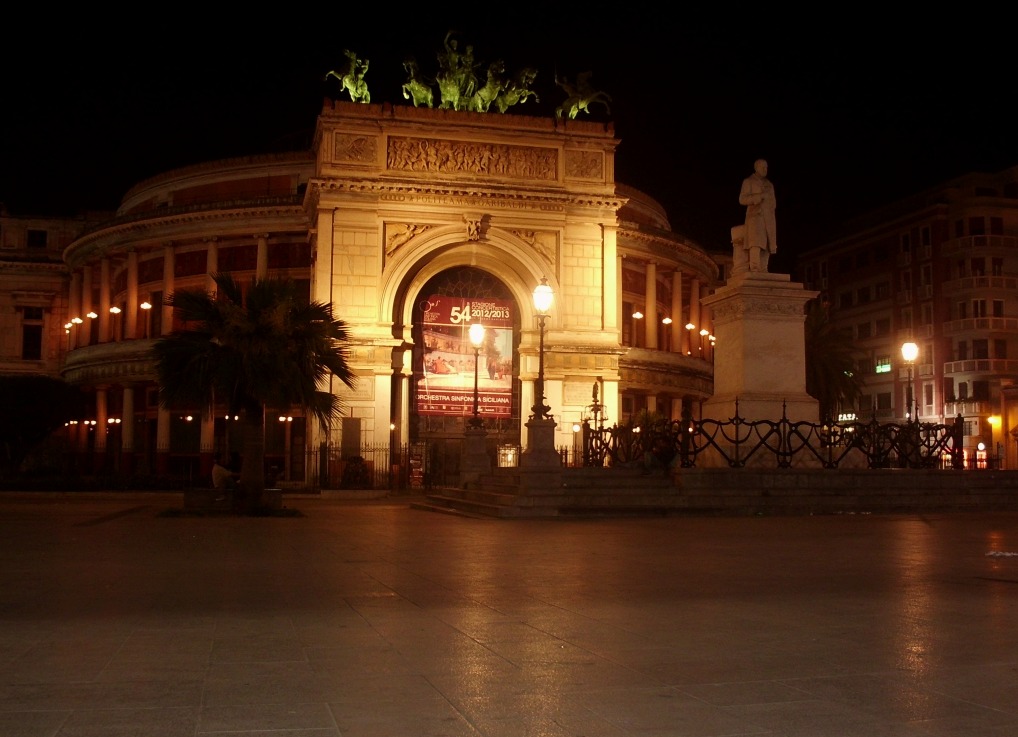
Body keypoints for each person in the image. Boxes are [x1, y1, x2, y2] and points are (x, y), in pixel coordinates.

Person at [738, 159, 777, 272]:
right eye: (763, 167)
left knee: (768, 244)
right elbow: (742, 199)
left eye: (766, 167)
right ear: (756, 168)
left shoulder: (769, 185)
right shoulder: (748, 181)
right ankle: (755, 268)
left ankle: (764, 269)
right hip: (755, 216)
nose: (765, 170)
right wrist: (758, 197)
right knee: (755, 242)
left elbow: (773, 202)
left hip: (768, 218)